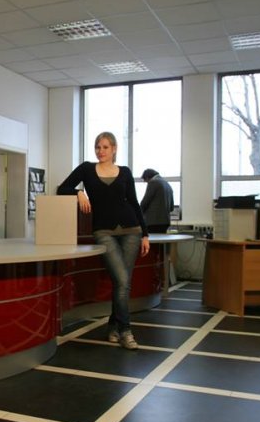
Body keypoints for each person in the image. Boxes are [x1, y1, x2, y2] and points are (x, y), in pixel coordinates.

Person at [56, 132, 150, 350]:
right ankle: (126, 331)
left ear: (114, 149)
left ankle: (113, 326)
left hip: (131, 230)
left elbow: (134, 203)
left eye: (105, 147)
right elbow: (62, 188)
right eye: (98, 147)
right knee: (122, 280)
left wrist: (145, 234)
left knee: (122, 283)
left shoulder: (125, 172)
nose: (101, 151)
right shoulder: (87, 169)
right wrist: (79, 193)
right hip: (103, 232)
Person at [140, 168, 174, 233]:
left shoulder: (153, 182)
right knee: (161, 239)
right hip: (165, 221)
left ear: (147, 177)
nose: (145, 182)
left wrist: (138, 214)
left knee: (152, 239)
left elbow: (145, 202)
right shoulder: (167, 184)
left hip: (153, 221)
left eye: (145, 180)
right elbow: (171, 207)